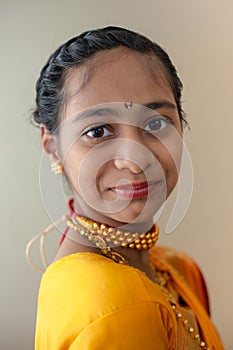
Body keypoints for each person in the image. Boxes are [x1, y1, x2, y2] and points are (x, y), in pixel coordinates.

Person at [29, 26, 224, 349]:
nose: (136, 160)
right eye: (99, 131)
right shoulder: (118, 303)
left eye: (155, 123)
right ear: (52, 146)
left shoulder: (176, 269)